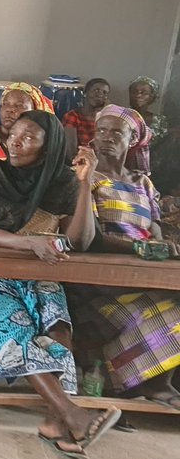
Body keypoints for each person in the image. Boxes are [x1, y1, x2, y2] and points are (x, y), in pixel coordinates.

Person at [0, 110, 121, 459]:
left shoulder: (62, 183)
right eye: (15, 133)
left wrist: (86, 183)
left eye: (29, 136)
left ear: (49, 146)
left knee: (58, 329)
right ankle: (72, 415)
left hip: (38, 270)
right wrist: (27, 242)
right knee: (15, 331)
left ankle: (56, 423)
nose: (15, 140)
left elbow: (80, 240)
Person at [65, 106, 180, 405]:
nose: (106, 138)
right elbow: (87, 239)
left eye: (117, 132)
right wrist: (139, 248)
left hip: (142, 277)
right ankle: (141, 383)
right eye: (101, 131)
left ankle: (147, 381)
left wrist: (160, 244)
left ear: (133, 140)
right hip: (98, 287)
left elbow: (154, 228)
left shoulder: (143, 183)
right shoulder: (83, 175)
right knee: (168, 312)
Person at [0, 82, 54, 161]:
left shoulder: (43, 146)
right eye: (5, 104)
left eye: (19, 105)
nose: (9, 109)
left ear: (36, 111)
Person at [61, 78, 110, 148]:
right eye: (96, 90)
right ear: (85, 93)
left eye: (104, 92)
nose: (100, 94)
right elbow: (70, 150)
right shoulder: (72, 116)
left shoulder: (105, 119)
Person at [129, 76, 168, 140]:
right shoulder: (119, 116)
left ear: (152, 97)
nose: (138, 95)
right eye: (134, 92)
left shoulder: (160, 121)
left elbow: (163, 144)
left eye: (144, 93)